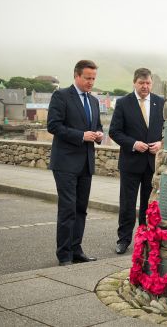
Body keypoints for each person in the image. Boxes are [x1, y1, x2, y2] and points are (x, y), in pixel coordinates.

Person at [47, 60, 103, 266]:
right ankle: (64, 255)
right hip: (65, 163)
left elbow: (96, 126)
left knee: (81, 209)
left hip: (86, 163)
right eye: (87, 78)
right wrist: (81, 135)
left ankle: (76, 250)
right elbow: (53, 126)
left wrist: (98, 134)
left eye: (93, 78)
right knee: (67, 209)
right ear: (77, 76)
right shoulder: (61, 96)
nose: (91, 82)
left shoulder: (94, 101)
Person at [109, 68, 164, 254]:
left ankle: (145, 240)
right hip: (131, 163)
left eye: (148, 83)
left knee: (149, 206)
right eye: (142, 83)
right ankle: (123, 240)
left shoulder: (160, 102)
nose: (145, 87)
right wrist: (133, 144)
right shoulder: (123, 103)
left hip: (152, 164)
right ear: (134, 83)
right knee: (127, 204)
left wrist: (161, 144)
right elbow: (114, 132)